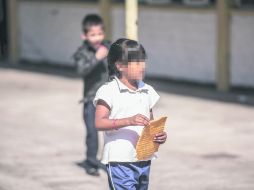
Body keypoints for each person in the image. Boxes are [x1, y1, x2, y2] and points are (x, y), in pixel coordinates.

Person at [93, 38, 167, 189]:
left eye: (143, 61)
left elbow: (150, 124)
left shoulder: (147, 90)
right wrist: (129, 121)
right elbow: (99, 122)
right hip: (120, 160)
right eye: (136, 62)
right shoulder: (108, 91)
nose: (142, 66)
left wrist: (159, 135)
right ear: (119, 65)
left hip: (143, 158)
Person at [73, 14, 110, 176]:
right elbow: (81, 71)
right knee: (92, 132)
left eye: (99, 34)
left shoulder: (109, 48)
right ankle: (91, 161)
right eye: (92, 34)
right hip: (91, 100)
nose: (96, 38)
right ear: (84, 36)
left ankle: (110, 161)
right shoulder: (82, 52)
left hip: (109, 100)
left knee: (112, 132)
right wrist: (96, 58)